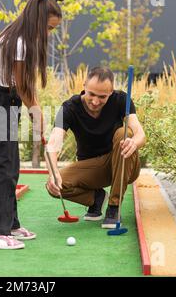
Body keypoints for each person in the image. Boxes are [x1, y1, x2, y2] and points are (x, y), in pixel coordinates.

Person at [0, 0, 64, 249]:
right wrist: (35, 112)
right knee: (1, 167)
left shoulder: (19, 37)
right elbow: (22, 86)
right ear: (38, 20)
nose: (49, 33)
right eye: (49, 27)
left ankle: (10, 224)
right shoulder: (19, 41)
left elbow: (26, 84)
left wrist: (34, 111)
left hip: (6, 102)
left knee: (11, 165)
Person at [44, 66, 146, 229]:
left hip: (124, 164)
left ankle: (114, 206)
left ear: (111, 92)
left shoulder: (121, 100)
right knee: (55, 185)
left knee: (124, 133)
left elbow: (140, 134)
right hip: (94, 169)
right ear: (84, 85)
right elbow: (54, 141)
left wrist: (134, 142)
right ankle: (96, 198)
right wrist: (53, 172)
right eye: (91, 94)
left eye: (102, 96)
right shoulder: (69, 107)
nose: (95, 101)